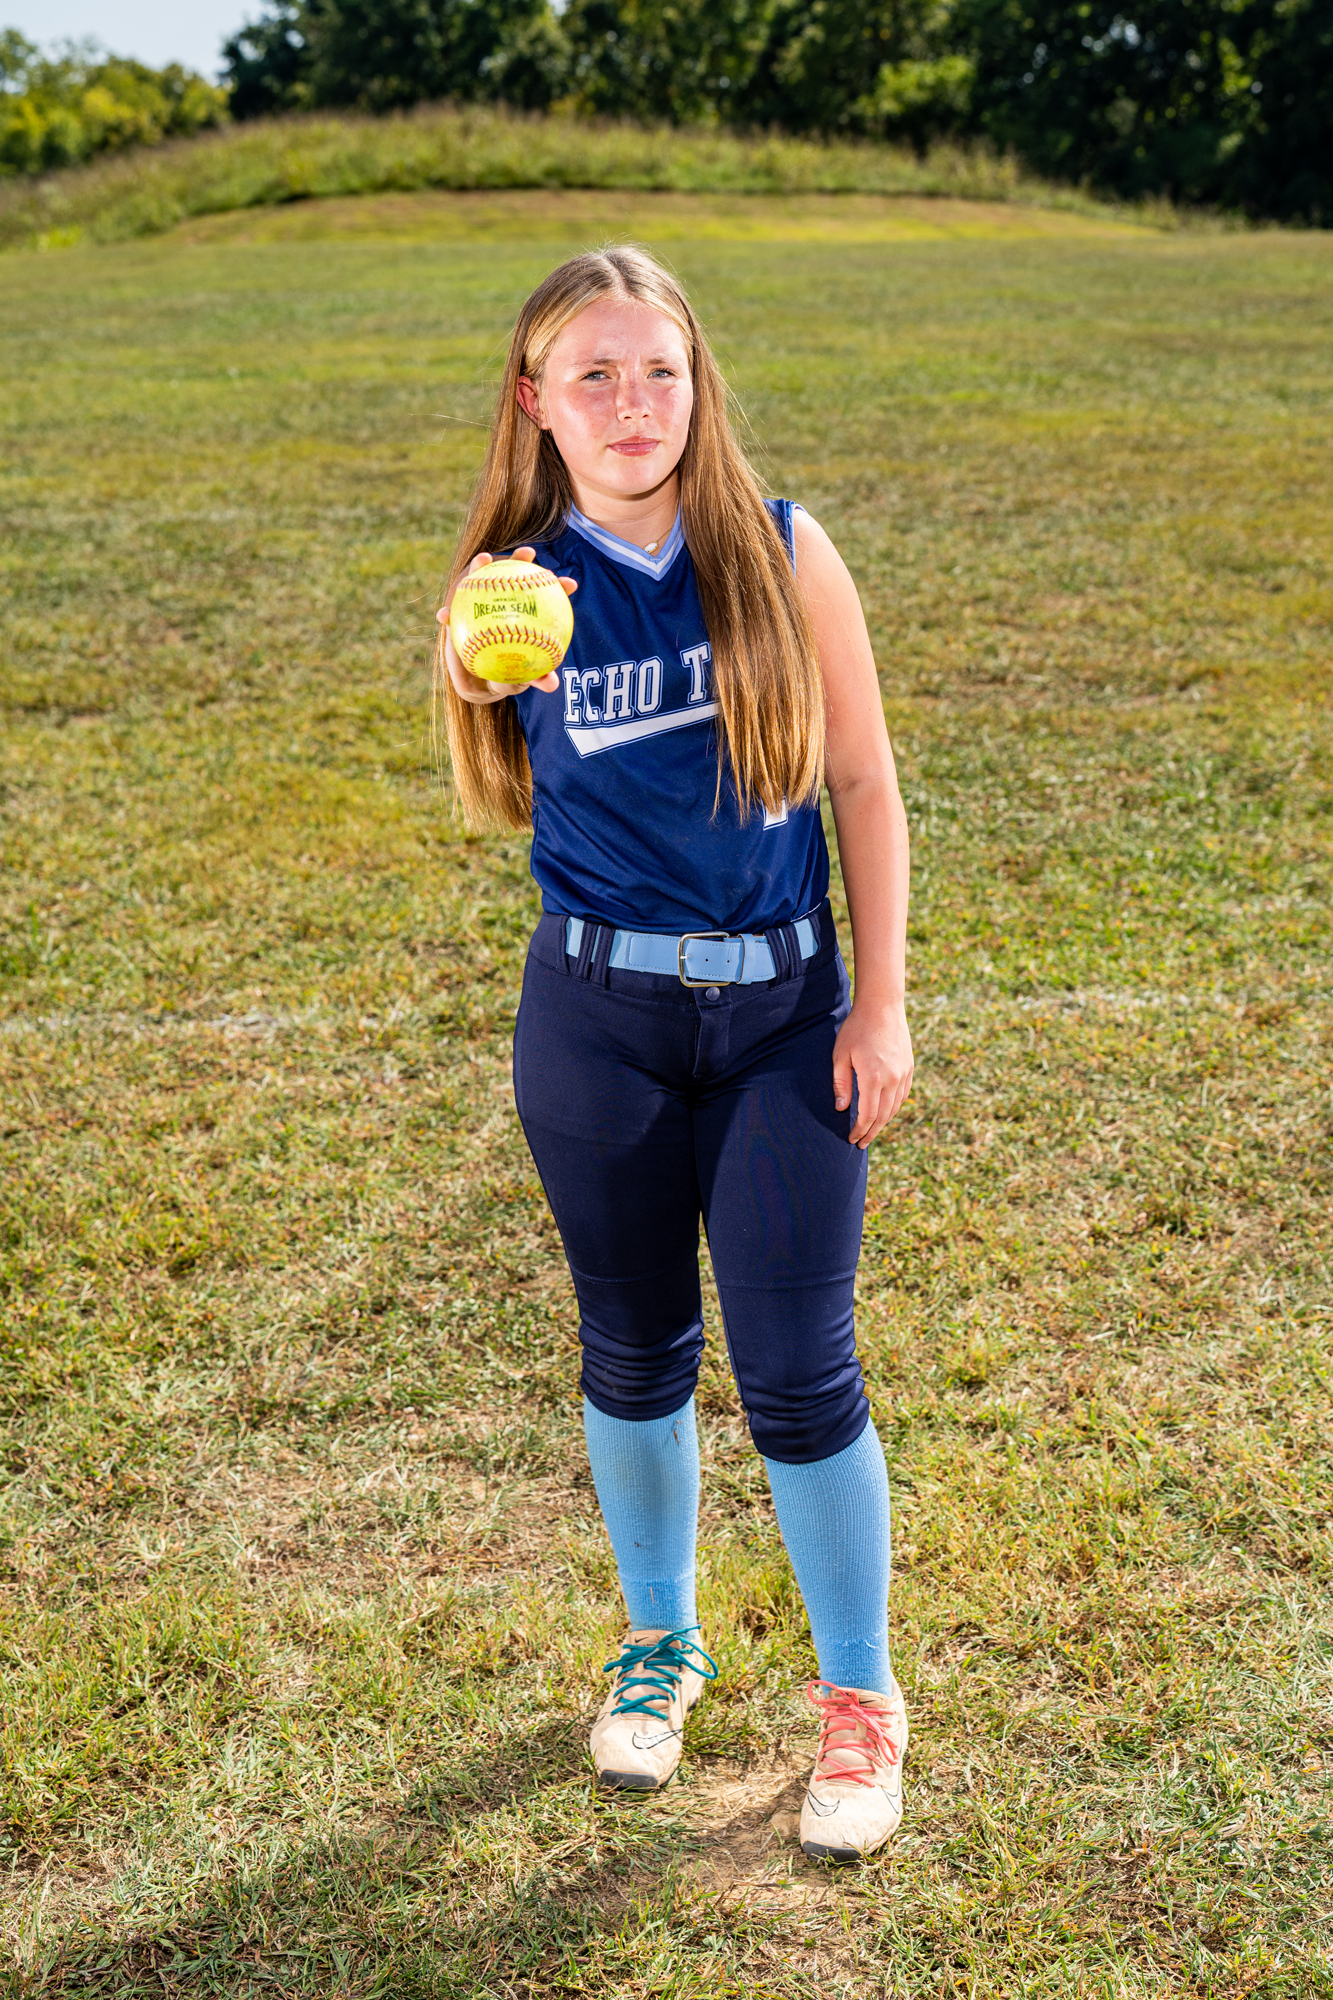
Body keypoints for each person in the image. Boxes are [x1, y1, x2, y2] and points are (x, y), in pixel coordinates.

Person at [437, 247, 913, 1863]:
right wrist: (474, 654)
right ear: (535, 402)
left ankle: (859, 1699)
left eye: (660, 371)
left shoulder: (780, 548)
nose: (632, 403)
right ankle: (660, 1642)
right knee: (631, 1348)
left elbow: (863, 784)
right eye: (594, 376)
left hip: (782, 1017)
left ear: (697, 387)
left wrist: (879, 1005)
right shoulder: (517, 586)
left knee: (798, 1369)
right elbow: (478, 698)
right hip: (597, 1023)